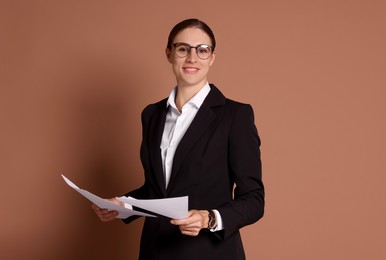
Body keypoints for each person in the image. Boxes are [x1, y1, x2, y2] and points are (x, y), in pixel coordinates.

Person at [91, 18, 264, 260]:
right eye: (183, 49)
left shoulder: (235, 116)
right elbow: (159, 190)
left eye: (202, 50)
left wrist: (209, 218)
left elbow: (254, 200)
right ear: (169, 54)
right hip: (155, 251)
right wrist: (123, 206)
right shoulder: (151, 115)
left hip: (209, 253)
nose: (192, 58)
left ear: (212, 57)